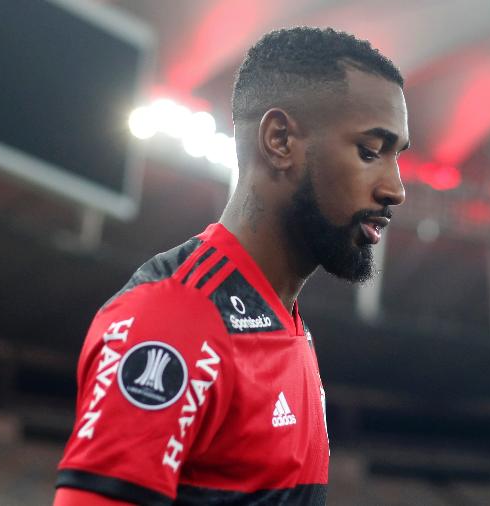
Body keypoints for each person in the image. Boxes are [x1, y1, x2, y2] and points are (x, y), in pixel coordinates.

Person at [53, 26, 408, 505]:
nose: (395, 189)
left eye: (396, 157)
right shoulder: (172, 320)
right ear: (279, 140)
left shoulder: (284, 321)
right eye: (370, 151)